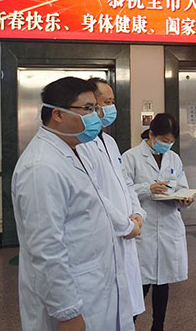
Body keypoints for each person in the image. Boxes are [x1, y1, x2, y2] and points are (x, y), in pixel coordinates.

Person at [11, 76, 134, 331]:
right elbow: (46, 249)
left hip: (95, 284)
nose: (96, 117)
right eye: (88, 109)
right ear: (57, 114)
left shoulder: (76, 151)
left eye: (96, 108)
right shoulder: (41, 167)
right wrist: (67, 312)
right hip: (74, 297)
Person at [76, 77, 147, 321]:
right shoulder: (81, 145)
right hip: (107, 235)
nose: (111, 108)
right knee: (108, 310)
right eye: (107, 102)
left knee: (128, 309)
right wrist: (125, 226)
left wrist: (137, 214)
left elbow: (126, 183)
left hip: (127, 232)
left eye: (112, 102)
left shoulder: (110, 141)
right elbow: (95, 194)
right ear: (92, 104)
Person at [122, 113, 193, 331]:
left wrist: (184, 199)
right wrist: (148, 189)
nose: (167, 145)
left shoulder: (174, 158)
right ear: (151, 135)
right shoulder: (131, 157)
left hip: (168, 225)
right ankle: (128, 325)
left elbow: (182, 186)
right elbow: (123, 191)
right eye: (164, 140)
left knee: (163, 282)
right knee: (140, 286)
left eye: (171, 141)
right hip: (144, 229)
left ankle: (158, 326)